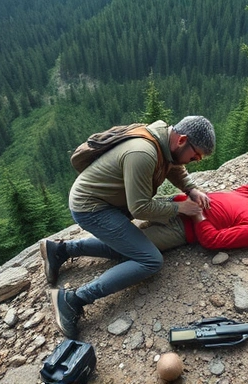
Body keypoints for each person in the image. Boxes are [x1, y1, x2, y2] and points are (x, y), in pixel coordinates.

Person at [42, 182, 248, 339]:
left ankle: (65, 258)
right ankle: (62, 253)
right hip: (174, 204)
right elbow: (243, 189)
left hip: (180, 228)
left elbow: (212, 240)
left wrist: (196, 215)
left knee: (128, 248)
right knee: (129, 245)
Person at [42, 116, 216, 339]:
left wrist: (191, 189)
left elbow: (173, 166)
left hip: (107, 201)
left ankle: (61, 250)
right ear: (182, 139)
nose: (196, 161)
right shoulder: (143, 153)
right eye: (196, 156)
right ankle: (73, 300)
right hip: (92, 208)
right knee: (150, 260)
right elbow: (140, 209)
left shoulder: (164, 139)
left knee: (132, 247)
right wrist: (180, 208)